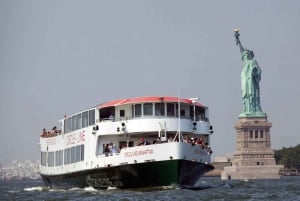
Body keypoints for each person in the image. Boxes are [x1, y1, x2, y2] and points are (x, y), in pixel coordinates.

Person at [234, 30, 263, 114]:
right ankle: (247, 109)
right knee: (246, 95)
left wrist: (255, 73)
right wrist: (238, 39)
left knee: (252, 95)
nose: (245, 55)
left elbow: (259, 71)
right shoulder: (245, 62)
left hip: (252, 83)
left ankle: (254, 109)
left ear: (250, 55)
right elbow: (241, 49)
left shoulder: (253, 62)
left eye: (247, 54)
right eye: (244, 54)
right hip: (245, 81)